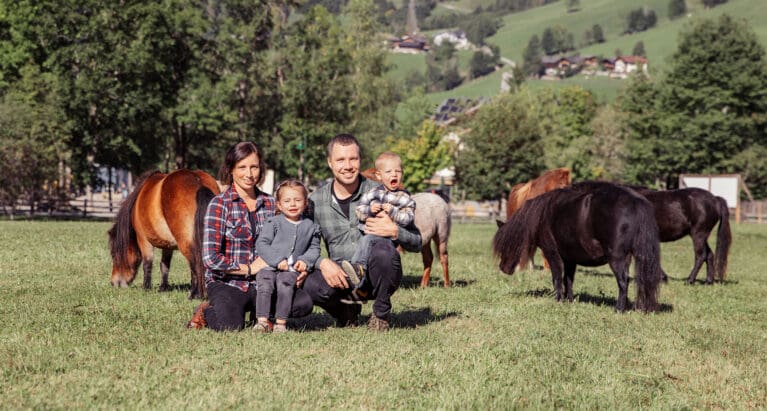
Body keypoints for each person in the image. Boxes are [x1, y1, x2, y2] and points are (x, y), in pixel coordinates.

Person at [186, 142, 313, 331]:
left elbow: (290, 240)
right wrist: (248, 269)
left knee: (302, 304)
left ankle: (259, 314)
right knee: (229, 325)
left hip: (265, 280)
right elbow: (210, 259)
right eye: (242, 167)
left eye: (254, 167)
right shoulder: (219, 204)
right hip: (228, 282)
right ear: (230, 170)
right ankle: (206, 311)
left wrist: (299, 265)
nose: (249, 174)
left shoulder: (271, 203)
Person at [303, 134, 422, 331]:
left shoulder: (384, 193)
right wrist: (322, 262)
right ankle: (345, 312)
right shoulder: (315, 201)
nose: (348, 166)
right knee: (310, 284)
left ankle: (381, 313)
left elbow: (417, 241)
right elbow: (305, 245)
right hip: (343, 275)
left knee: (384, 253)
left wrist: (395, 231)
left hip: (378, 271)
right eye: (340, 160)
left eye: (353, 159)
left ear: (360, 160)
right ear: (330, 163)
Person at [341, 152, 415, 302]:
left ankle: (358, 270)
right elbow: (359, 211)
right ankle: (360, 282)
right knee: (365, 242)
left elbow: (408, 218)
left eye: (398, 171)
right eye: (389, 172)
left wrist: (393, 212)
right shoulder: (372, 193)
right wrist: (370, 210)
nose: (394, 174)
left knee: (373, 248)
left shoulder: (405, 198)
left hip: (387, 239)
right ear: (379, 176)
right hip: (369, 233)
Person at [253, 179, 320, 333]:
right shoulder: (274, 222)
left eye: (297, 200)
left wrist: (305, 261)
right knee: (265, 284)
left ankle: (280, 323)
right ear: (279, 205)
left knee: (286, 286)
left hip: (290, 270)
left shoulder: (311, 226)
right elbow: (262, 244)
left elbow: (314, 248)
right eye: (287, 201)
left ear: (305, 203)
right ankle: (262, 321)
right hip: (269, 266)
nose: (293, 204)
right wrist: (277, 260)